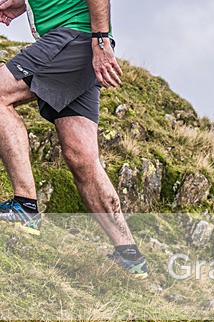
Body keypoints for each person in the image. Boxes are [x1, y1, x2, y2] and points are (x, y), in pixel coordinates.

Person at [0, 0, 147, 277]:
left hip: (73, 38)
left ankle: (25, 206)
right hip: (78, 44)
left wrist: (101, 41)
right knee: (81, 156)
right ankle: (129, 255)